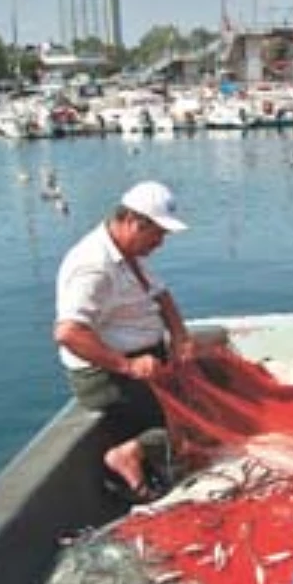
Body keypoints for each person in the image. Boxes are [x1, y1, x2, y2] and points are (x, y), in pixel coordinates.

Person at [54, 180, 194, 502]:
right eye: (157, 233)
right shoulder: (92, 265)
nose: (160, 242)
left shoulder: (126, 252)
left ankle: (145, 454)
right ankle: (128, 456)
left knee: (196, 400)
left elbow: (161, 294)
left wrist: (180, 335)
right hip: (107, 375)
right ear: (132, 222)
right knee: (189, 424)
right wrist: (127, 365)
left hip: (145, 359)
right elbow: (68, 333)